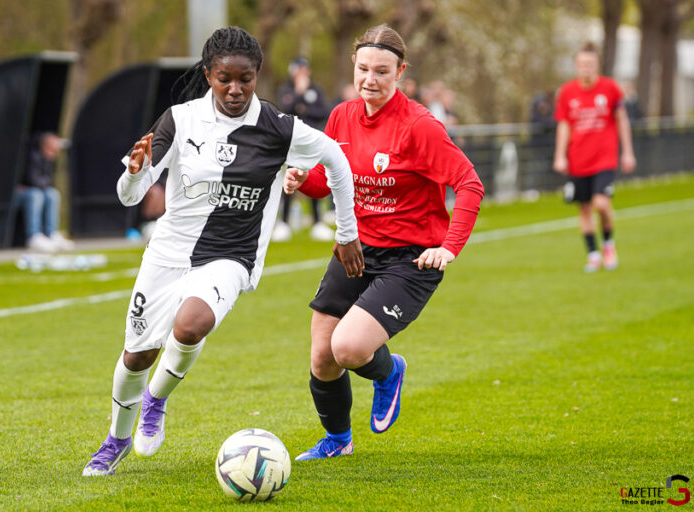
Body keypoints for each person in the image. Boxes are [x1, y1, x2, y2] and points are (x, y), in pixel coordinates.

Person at [82, 26, 362, 477]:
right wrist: (135, 173)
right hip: (168, 253)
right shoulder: (179, 119)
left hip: (231, 256)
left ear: (258, 76)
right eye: (224, 79)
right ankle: (115, 439)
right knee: (137, 354)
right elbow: (130, 197)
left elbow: (337, 161)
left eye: (245, 80)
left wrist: (346, 233)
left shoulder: (278, 128)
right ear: (209, 74)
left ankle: (155, 400)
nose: (235, 90)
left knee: (191, 325)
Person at [283, 24, 485, 461]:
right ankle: (338, 441)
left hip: (410, 260)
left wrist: (449, 247)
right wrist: (303, 180)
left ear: (400, 74)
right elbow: (333, 181)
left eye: (381, 71)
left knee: (350, 348)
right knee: (322, 356)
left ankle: (389, 369)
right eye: (362, 69)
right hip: (355, 247)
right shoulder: (340, 116)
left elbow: (469, 184)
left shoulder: (420, 127)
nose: (369, 79)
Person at [553, 42, 636, 272]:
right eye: (581, 64)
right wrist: (560, 155)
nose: (585, 68)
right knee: (585, 208)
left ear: (597, 64)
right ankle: (592, 254)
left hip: (605, 158)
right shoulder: (567, 92)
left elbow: (622, 121)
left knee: (601, 203)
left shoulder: (610, 88)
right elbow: (564, 126)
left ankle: (608, 243)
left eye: (589, 63)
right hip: (578, 159)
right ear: (576, 66)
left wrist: (627, 152)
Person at [273, 56, 334, 242]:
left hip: (312, 143)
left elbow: (323, 111)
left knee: (313, 179)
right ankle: (283, 222)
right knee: (290, 179)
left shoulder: (316, 89)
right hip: (292, 143)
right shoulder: (286, 89)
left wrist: (304, 108)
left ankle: (317, 222)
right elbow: (285, 110)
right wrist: (299, 95)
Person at [14, 132, 74, 252]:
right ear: (46, 146)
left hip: (35, 190)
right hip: (19, 194)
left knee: (52, 194)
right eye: (54, 148)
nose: (56, 152)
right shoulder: (31, 156)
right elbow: (33, 181)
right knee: (36, 195)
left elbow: (47, 182)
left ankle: (51, 233)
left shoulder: (48, 160)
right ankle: (34, 236)